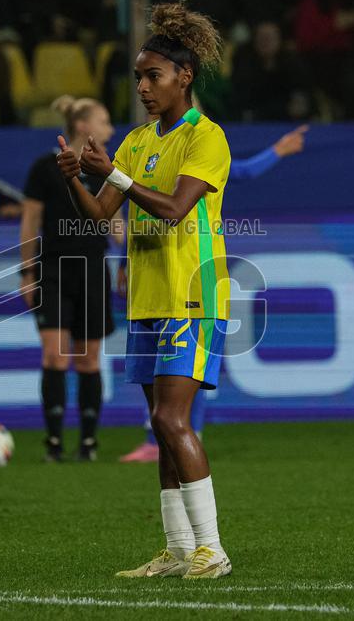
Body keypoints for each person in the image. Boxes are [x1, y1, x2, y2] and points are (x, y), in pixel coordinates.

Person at [57, 0, 232, 579]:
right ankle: (178, 549)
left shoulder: (206, 138)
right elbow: (97, 217)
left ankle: (212, 548)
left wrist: (112, 175)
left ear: (184, 77)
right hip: (146, 300)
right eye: (137, 77)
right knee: (160, 424)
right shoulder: (135, 141)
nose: (142, 87)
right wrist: (77, 180)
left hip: (193, 294)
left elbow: (179, 209)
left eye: (152, 76)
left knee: (174, 421)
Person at [119, 124, 309, 464]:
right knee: (168, 370)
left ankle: (183, 434)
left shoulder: (202, 149)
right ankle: (167, 436)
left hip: (192, 270)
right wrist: (124, 259)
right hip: (155, 273)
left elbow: (244, 171)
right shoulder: (145, 149)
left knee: (187, 366)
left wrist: (278, 150)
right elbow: (133, 211)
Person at [21, 95, 121, 462]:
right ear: (83, 127)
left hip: (94, 270)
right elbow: (30, 221)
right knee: (55, 356)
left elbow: (116, 226)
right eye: (104, 121)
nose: (110, 129)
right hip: (54, 271)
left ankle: (89, 443)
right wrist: (27, 272)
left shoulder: (106, 169)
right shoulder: (45, 168)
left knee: (88, 360)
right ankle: (53, 443)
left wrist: (128, 253)